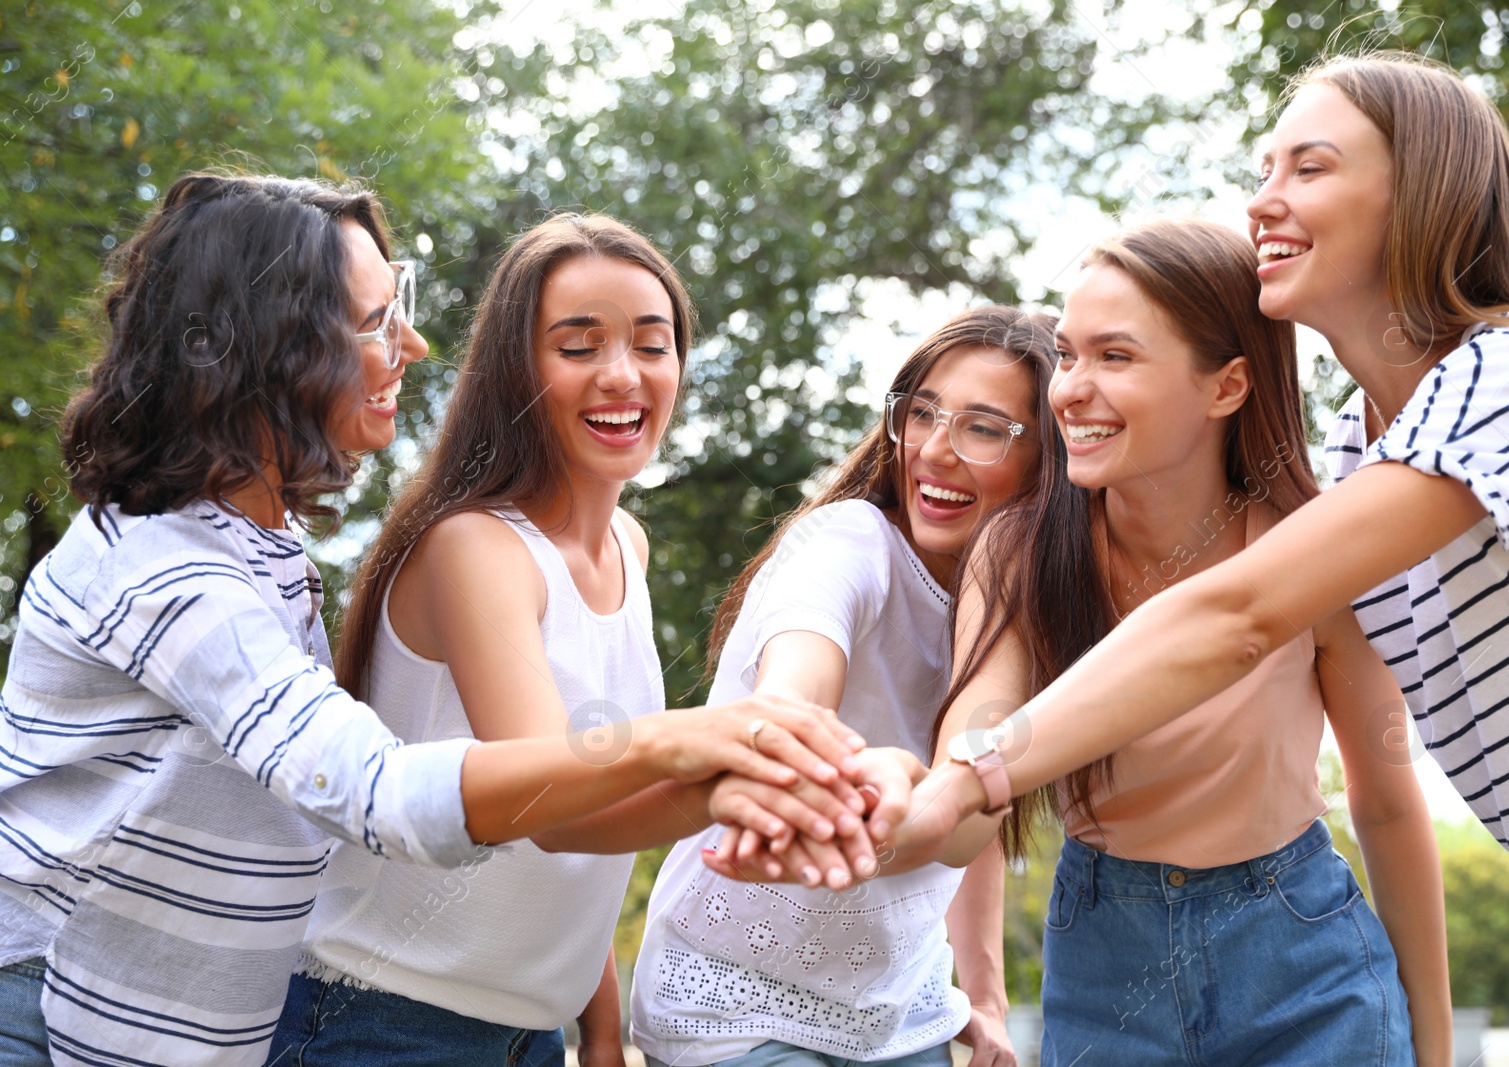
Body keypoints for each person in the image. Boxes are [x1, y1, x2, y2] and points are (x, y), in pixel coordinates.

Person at [0, 174, 864, 1067]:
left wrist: (594, 1001)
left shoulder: (262, 550)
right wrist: (693, 746)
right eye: (374, 322)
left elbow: (554, 809)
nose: (410, 343)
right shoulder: (169, 574)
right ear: (267, 345)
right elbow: (376, 790)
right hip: (54, 1010)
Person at [849, 50, 1509, 1067]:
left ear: (1420, 189)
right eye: (1262, 171)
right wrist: (932, 789)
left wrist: (971, 773)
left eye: (1310, 167)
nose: (1265, 203)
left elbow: (1234, 618)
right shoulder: (1354, 450)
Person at [270, 212, 867, 1067]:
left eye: (652, 345)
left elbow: (581, 843)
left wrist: (597, 1023)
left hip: (530, 1033)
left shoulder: (629, 544)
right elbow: (547, 800)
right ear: (518, 370)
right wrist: (737, 770)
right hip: (380, 1023)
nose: (622, 375)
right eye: (578, 346)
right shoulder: (474, 547)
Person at [630, 307, 1055, 1067]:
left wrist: (984, 997)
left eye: (983, 428)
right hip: (737, 1000)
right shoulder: (849, 542)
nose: (932, 449)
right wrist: (801, 752)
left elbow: (982, 791)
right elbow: (795, 691)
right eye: (920, 413)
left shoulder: (1016, 609)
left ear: (1046, 459)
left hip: (899, 1010)